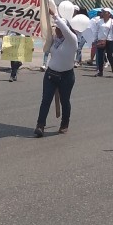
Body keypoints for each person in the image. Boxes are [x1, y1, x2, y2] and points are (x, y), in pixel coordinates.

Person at [34, 8, 78, 137]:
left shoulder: (72, 40)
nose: (57, 30)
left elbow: (64, 28)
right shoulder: (54, 40)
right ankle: (40, 125)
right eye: (56, 28)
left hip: (66, 76)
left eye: (59, 28)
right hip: (51, 74)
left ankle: (64, 124)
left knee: (65, 101)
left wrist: (55, 15)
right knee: (46, 100)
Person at [95, 8, 113, 77]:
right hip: (101, 40)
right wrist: (95, 39)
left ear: (109, 14)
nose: (104, 13)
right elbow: (96, 31)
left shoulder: (112, 22)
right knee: (100, 56)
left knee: (110, 56)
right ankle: (100, 71)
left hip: (109, 40)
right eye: (103, 12)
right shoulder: (100, 21)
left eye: (105, 12)